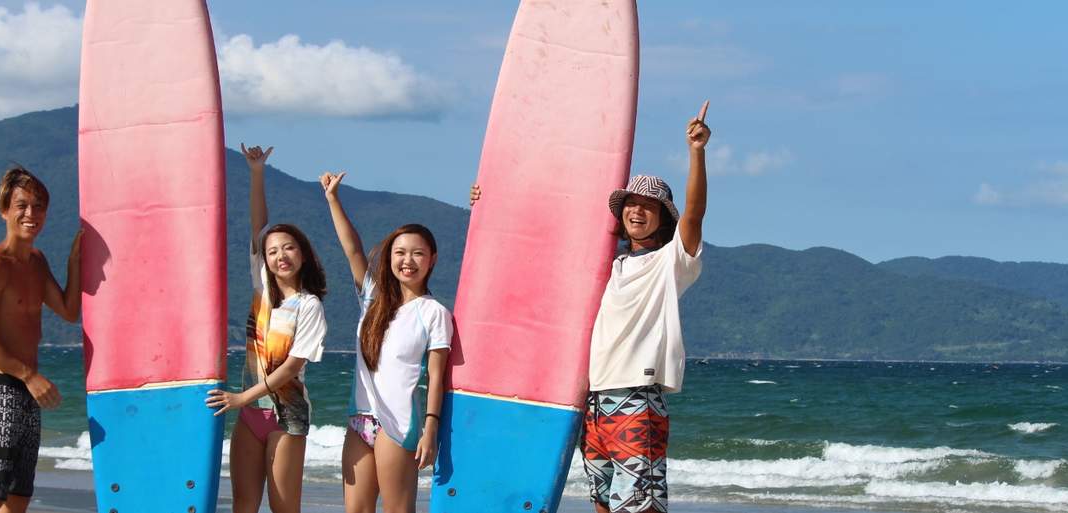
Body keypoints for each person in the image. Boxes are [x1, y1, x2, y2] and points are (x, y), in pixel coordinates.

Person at [470, 101, 710, 513]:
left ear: (663, 218)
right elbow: (541, 245)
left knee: (640, 508)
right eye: (632, 204)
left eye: (648, 206)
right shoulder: (607, 266)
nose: (638, 210)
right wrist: (487, 205)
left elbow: (694, 214)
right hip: (593, 405)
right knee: (602, 505)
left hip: (637, 399)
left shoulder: (670, 264)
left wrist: (697, 152)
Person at [205, 144, 328, 513]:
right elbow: (259, 228)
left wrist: (241, 397)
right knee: (243, 505)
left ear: (302, 254)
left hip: (286, 416)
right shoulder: (262, 291)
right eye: (273, 251)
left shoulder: (309, 305)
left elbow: (291, 367)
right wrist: (257, 173)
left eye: (288, 248)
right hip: (249, 415)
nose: (280, 256)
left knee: (282, 507)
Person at [321, 171, 452, 513]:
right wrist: (333, 199)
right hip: (360, 418)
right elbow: (352, 249)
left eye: (417, 254)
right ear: (390, 257)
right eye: (400, 253)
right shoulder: (373, 299)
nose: (407, 261)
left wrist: (431, 429)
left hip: (399, 421)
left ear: (432, 259)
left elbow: (437, 376)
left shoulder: (434, 312)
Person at [0, 166, 81, 513]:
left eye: (38, 206)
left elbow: (67, 309)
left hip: (26, 395)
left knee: (18, 499)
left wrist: (75, 260)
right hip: (1, 389)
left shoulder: (36, 261)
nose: (31, 214)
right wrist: (29, 376)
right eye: (22, 205)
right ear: (5, 210)